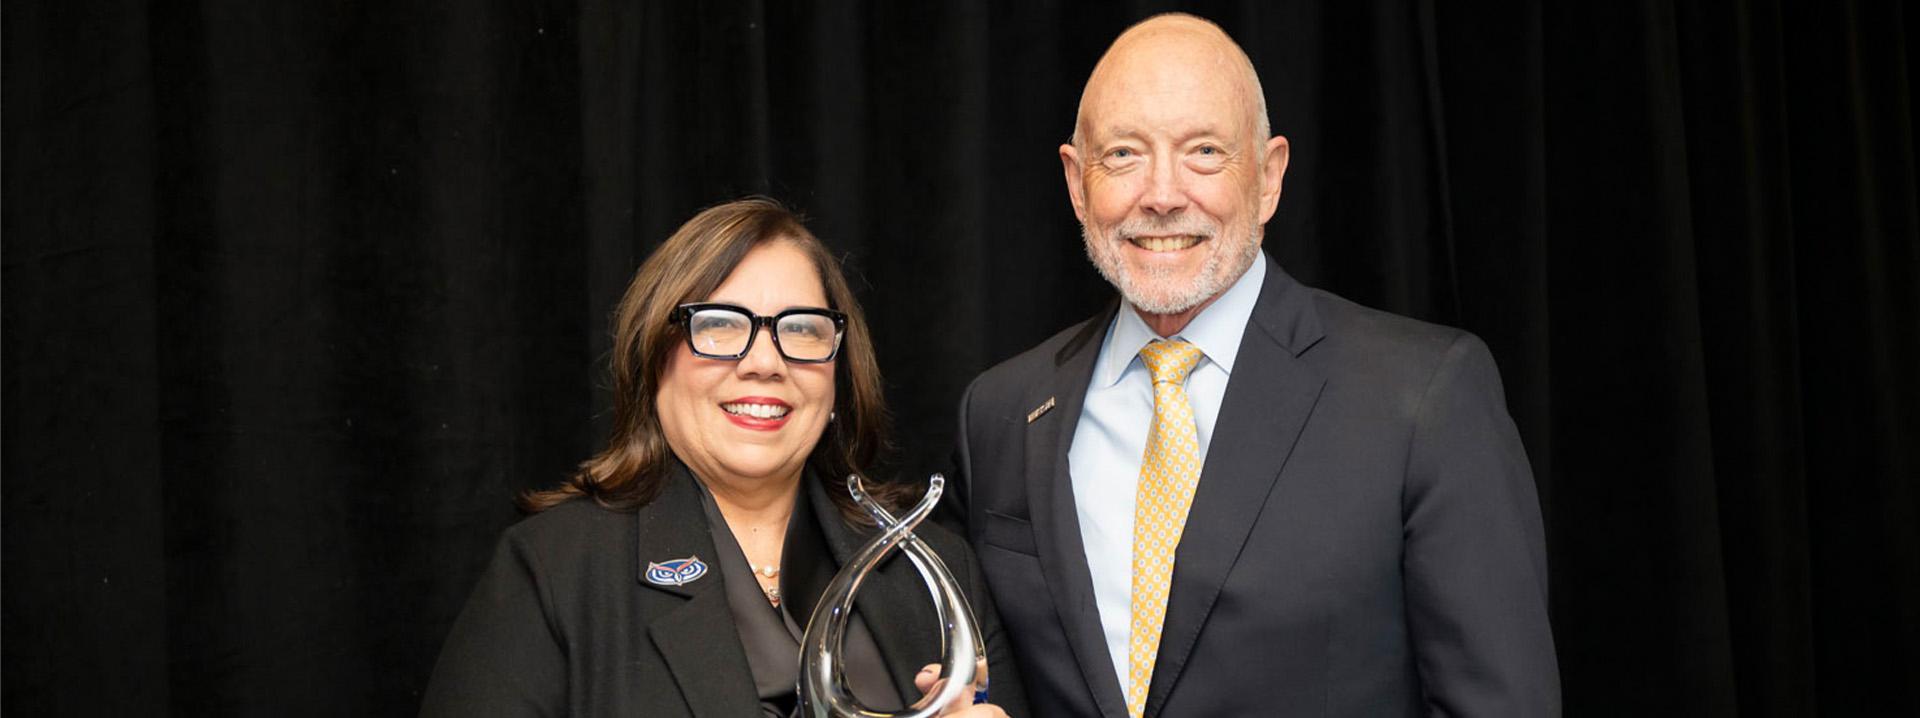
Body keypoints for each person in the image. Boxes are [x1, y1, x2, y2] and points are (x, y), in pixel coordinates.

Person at [948, 14, 1559, 717]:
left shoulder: (1425, 398)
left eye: (1204, 151)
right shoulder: (999, 415)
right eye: (1123, 155)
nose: (1162, 194)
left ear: (1269, 178)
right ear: (1076, 183)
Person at [423, 198, 1024, 717]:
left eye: (803, 329)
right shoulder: (552, 573)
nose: (764, 361)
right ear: (655, 356)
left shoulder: (938, 572)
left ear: (838, 371)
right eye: (718, 326)